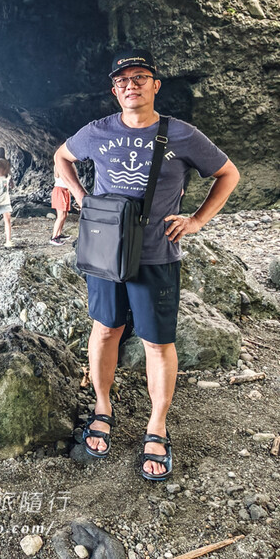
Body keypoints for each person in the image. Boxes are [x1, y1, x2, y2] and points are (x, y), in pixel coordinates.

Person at [54, 49, 239, 481]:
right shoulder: (97, 131)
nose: (130, 85)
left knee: (157, 343)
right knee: (106, 329)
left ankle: (157, 426)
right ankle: (103, 406)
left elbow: (227, 174)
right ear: (114, 90)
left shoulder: (183, 135)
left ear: (155, 85)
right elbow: (62, 157)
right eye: (122, 81)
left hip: (157, 253)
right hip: (105, 254)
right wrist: (84, 200)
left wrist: (196, 220)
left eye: (140, 77)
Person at [49, 173, 71, 245]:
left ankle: (58, 234)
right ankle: (54, 237)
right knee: (61, 216)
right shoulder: (59, 164)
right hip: (60, 190)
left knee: (65, 215)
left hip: (65, 190)